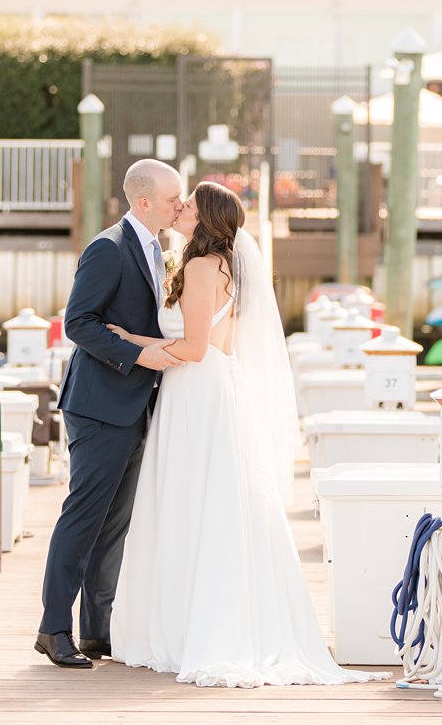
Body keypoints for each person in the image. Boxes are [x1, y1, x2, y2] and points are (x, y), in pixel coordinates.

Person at [103, 181, 387, 687]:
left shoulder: (196, 267)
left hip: (195, 391)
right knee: (216, 506)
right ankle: (211, 620)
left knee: (190, 504)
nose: (181, 207)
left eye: (189, 204)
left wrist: (128, 339)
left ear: (205, 218)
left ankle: (192, 628)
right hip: (215, 389)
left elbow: (191, 349)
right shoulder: (225, 267)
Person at [35, 159, 183, 668]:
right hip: (100, 405)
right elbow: (78, 322)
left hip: (136, 404)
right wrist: (141, 354)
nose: (179, 206)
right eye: (172, 199)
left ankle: (97, 630)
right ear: (143, 202)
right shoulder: (108, 247)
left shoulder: (156, 248)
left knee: (114, 525)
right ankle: (53, 628)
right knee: (83, 518)